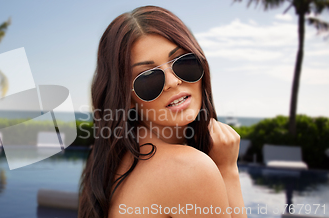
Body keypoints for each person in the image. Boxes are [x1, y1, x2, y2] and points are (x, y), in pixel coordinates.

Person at [78, 5, 247, 218]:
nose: (173, 82)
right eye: (147, 78)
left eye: (183, 62)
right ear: (126, 98)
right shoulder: (189, 169)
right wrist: (228, 170)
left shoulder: (112, 160)